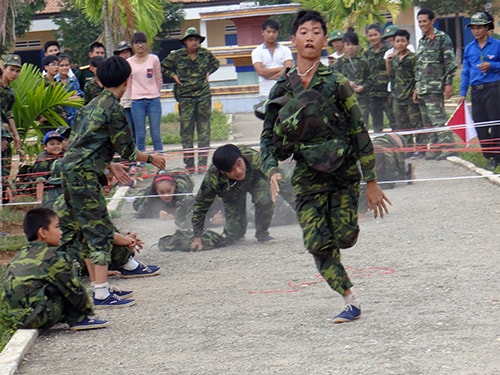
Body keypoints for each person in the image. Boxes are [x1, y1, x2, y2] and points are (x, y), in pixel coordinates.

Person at [260, 10, 391, 323]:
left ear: (324, 39)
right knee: (317, 242)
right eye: (303, 32)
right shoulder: (282, 89)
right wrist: (272, 169)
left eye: (316, 32)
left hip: (342, 174)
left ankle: (342, 236)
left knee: (345, 236)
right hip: (306, 177)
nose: (309, 37)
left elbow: (359, 130)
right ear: (292, 40)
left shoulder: (336, 83)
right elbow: (266, 137)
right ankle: (349, 298)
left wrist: (370, 180)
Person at [61, 56, 166, 308]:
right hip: (84, 176)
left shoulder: (92, 105)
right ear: (127, 80)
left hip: (69, 171)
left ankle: (109, 282)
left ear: (99, 79)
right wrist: (152, 158)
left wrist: (109, 163)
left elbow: (82, 143)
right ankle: (101, 293)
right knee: (97, 233)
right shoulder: (114, 109)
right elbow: (129, 150)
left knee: (91, 227)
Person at [1, 207, 110, 331]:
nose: (61, 232)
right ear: (43, 232)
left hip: (13, 318)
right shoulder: (53, 257)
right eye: (57, 227)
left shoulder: (20, 255)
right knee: (64, 286)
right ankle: (78, 319)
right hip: (34, 318)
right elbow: (74, 290)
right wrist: (87, 311)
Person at [190, 144, 278, 251]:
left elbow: (282, 180)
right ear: (223, 171)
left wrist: (301, 212)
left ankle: (262, 233)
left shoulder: (254, 157)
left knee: (265, 200)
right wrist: (197, 237)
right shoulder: (213, 178)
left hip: (254, 181)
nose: (238, 171)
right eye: (231, 170)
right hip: (231, 192)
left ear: (241, 158)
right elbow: (200, 206)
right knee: (234, 235)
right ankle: (237, 232)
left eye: (239, 164)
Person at [162, 27, 220, 173]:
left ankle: (202, 165)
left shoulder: (205, 54)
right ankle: (189, 165)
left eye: (196, 40)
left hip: (203, 96)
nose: (194, 43)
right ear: (185, 42)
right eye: (191, 40)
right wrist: (174, 76)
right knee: (186, 132)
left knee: (204, 131)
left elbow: (216, 64)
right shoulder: (177, 55)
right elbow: (163, 67)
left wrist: (208, 73)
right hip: (185, 97)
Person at [413, 8, 458, 160]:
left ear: (432, 21)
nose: (422, 24)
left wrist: (449, 84)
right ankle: (435, 147)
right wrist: (416, 87)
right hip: (422, 87)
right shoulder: (422, 41)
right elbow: (419, 66)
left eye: (425, 21)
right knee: (427, 121)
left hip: (435, 86)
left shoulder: (441, 38)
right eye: (419, 22)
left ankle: (448, 146)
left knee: (437, 119)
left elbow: (449, 63)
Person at [459, 12, 500, 168]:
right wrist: (462, 93)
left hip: (493, 88)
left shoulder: (497, 45)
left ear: (487, 28)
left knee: (496, 124)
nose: (476, 31)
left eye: (479, 27)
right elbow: (466, 72)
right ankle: (488, 155)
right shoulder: (469, 48)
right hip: (476, 90)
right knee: (480, 124)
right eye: (473, 28)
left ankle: (497, 157)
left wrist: (492, 66)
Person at [132, 169, 224, 227]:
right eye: (162, 193)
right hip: (159, 182)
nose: (166, 195)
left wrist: (174, 214)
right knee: (138, 202)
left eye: (169, 191)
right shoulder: (152, 192)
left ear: (174, 187)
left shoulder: (181, 187)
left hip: (184, 176)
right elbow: (140, 211)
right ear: (156, 191)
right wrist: (157, 212)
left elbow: (189, 206)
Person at [127, 32, 163, 157]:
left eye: (142, 42)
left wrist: (155, 92)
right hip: (137, 101)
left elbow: (159, 79)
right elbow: (129, 82)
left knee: (156, 132)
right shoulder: (129, 62)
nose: (140, 46)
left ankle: (160, 160)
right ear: (133, 46)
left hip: (153, 99)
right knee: (140, 134)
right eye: (137, 43)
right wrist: (133, 96)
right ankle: (140, 163)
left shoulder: (154, 59)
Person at [389, 29, 423, 148]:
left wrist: (416, 90)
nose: (400, 44)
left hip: (410, 96)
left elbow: (418, 76)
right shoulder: (393, 60)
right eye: (397, 41)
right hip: (397, 97)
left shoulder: (413, 58)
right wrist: (391, 95)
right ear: (393, 43)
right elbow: (392, 77)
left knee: (416, 123)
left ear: (408, 42)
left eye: (403, 41)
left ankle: (420, 148)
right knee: (402, 124)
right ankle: (407, 148)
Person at [334, 31, 370, 126]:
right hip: (345, 99)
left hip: (362, 99)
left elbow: (370, 79)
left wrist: (363, 87)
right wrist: (347, 83)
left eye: (353, 44)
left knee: (363, 123)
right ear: (344, 45)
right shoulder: (338, 63)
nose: (350, 47)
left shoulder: (364, 61)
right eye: (348, 44)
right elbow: (334, 80)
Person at [251, 19, 294, 99]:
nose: (271, 35)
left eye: (274, 32)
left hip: (283, 92)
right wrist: (280, 69)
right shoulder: (257, 51)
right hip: (265, 93)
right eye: (268, 32)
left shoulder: (285, 50)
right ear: (262, 32)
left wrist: (268, 75)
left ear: (277, 33)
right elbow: (260, 71)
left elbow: (288, 70)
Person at [364, 24, 394, 132]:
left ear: (380, 35)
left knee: (394, 121)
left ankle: (400, 147)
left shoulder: (389, 50)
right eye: (370, 35)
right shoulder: (367, 53)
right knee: (377, 124)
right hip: (373, 93)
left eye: (375, 35)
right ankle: (380, 147)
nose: (373, 38)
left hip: (387, 92)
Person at [32, 130, 64, 202]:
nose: (56, 146)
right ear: (45, 147)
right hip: (49, 192)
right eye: (52, 144)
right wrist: (39, 201)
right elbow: (40, 182)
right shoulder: (42, 160)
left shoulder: (64, 155)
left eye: (58, 143)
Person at [1, 54, 22, 152]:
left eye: (17, 71)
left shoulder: (10, 92)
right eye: (11, 69)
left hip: (5, 134)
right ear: (4, 68)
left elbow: (9, 114)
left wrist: (16, 134)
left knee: (5, 164)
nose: (14, 74)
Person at [55, 54, 84, 126]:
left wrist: (74, 97)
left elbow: (79, 95)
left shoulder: (73, 80)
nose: (64, 68)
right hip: (61, 115)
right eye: (61, 65)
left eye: (67, 65)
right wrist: (69, 98)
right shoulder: (54, 81)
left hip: (74, 113)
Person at [114, 41, 135, 136]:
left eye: (127, 52)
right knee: (128, 128)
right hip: (123, 102)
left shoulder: (136, 65)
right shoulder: (116, 68)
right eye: (122, 52)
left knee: (138, 129)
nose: (125, 54)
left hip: (136, 100)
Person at [1, 129, 14, 204]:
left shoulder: (5, 153)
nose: (6, 143)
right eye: (2, 139)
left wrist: (6, 186)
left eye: (6, 140)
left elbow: (5, 172)